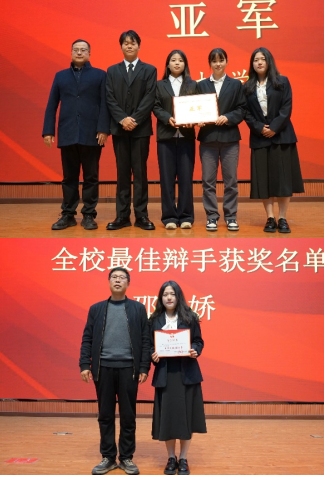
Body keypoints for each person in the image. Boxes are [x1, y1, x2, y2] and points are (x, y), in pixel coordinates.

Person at [79, 268, 150, 475]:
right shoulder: (96, 309)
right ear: (109, 282)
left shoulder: (138, 308)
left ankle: (126, 457)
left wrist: (144, 366)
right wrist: (85, 364)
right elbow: (87, 338)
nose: (118, 280)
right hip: (103, 369)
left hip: (129, 368)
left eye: (122, 278)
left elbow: (145, 339)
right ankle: (108, 457)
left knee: (128, 416)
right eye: (114, 277)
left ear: (128, 283)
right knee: (105, 415)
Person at [43, 39, 109, 231]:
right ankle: (68, 214)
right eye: (76, 50)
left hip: (92, 133)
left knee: (91, 177)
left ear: (89, 53)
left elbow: (105, 104)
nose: (79, 52)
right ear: (71, 52)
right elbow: (52, 104)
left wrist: (103, 129)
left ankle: (89, 214)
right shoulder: (60, 76)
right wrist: (48, 130)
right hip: (68, 132)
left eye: (83, 50)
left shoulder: (100, 75)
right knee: (69, 177)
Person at [243, 47, 304, 233]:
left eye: (262, 59)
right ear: (252, 64)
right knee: (264, 180)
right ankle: (270, 217)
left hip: (282, 137)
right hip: (260, 137)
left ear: (269, 61)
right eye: (256, 60)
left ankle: (283, 218)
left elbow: (287, 107)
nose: (259, 62)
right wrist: (259, 128)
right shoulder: (247, 87)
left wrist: (274, 128)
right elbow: (245, 112)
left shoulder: (282, 81)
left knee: (283, 180)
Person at [150, 281, 206, 476]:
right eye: (165, 294)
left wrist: (195, 350)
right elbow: (149, 344)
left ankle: (183, 458)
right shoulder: (154, 319)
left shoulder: (190, 317)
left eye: (172, 294)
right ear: (161, 297)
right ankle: (171, 458)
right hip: (165, 374)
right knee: (168, 418)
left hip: (186, 374)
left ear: (178, 296)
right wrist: (152, 355)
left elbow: (198, 341)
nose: (169, 297)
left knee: (185, 417)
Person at [105, 30, 158, 231]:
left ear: (139, 46)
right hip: (120, 130)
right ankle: (122, 216)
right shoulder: (112, 71)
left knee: (140, 173)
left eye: (133, 42)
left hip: (140, 130)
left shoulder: (149, 70)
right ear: (121, 46)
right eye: (126, 43)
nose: (129, 45)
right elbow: (109, 98)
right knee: (122, 173)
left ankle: (142, 216)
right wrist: (122, 119)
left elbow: (150, 97)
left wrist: (134, 119)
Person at [195, 48, 246, 232]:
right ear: (210, 63)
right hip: (208, 138)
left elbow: (242, 109)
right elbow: (195, 107)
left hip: (230, 139)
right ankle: (211, 217)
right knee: (208, 181)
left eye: (221, 60)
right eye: (214, 61)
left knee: (230, 181)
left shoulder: (236, 84)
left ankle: (231, 216)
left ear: (226, 62)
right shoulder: (201, 85)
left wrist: (228, 117)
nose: (218, 64)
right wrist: (197, 119)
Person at [152, 50, 198, 230]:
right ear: (168, 64)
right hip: (166, 136)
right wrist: (167, 118)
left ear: (185, 64)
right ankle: (169, 217)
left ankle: (186, 216)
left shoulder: (193, 85)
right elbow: (155, 106)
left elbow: (198, 107)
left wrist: (194, 120)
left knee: (186, 178)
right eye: (173, 60)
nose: (177, 63)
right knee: (166, 178)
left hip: (186, 137)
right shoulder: (159, 85)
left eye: (180, 60)